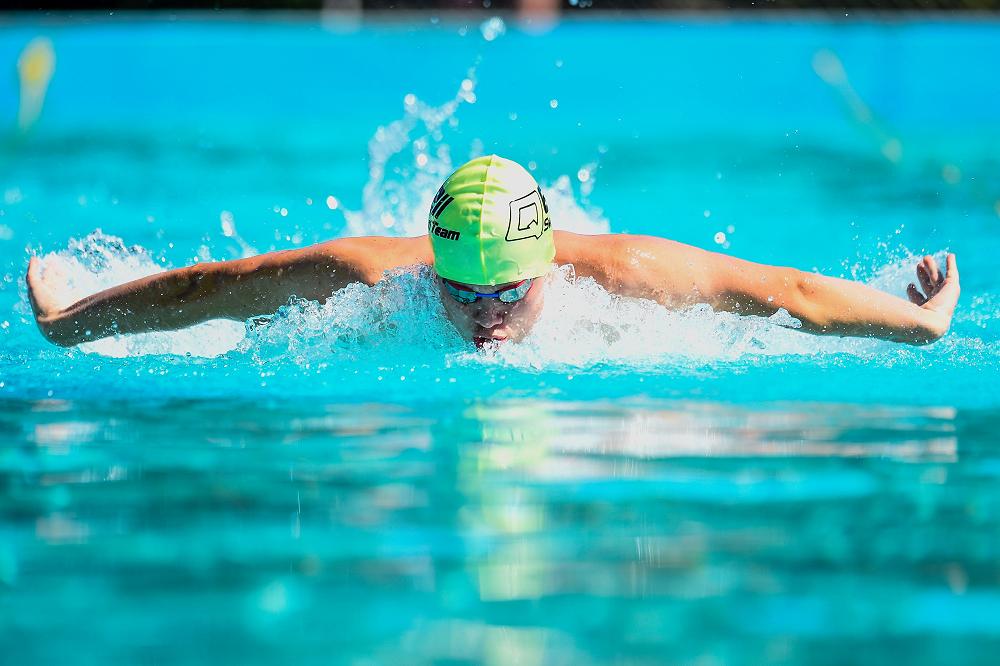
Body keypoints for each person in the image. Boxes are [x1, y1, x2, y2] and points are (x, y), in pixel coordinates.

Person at [27, 154, 960, 349]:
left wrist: (920, 323)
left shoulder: (632, 279)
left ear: (550, 264)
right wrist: (73, 319)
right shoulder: (370, 277)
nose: (486, 315)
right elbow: (211, 291)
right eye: (463, 290)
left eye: (510, 292)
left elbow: (790, 294)